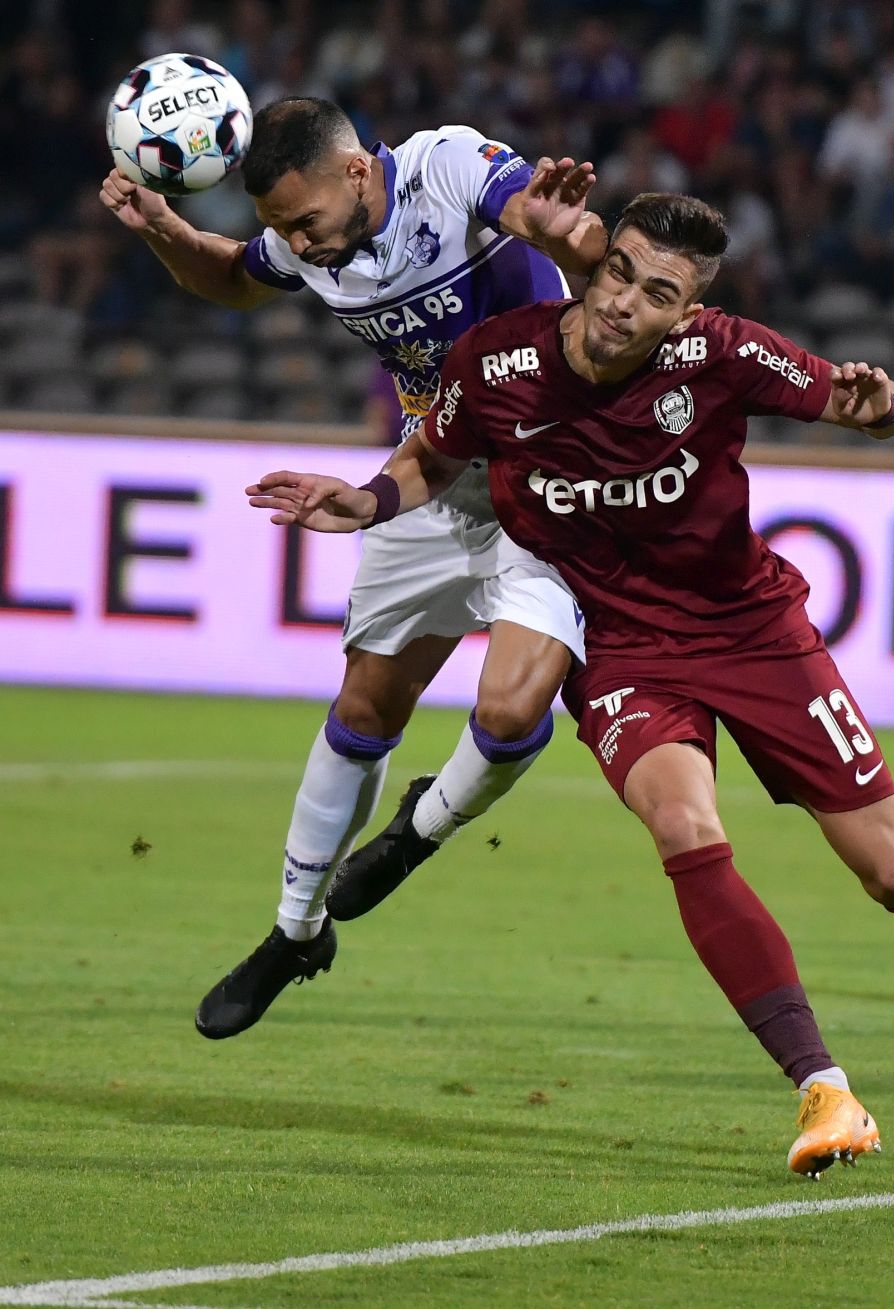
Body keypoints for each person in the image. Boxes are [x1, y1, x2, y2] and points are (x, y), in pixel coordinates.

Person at [249, 192, 894, 1184]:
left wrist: (882, 408)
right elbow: (433, 456)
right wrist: (360, 501)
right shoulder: (498, 360)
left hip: (753, 632)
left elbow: (868, 401)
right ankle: (824, 1088)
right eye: (619, 271)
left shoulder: (724, 355)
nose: (624, 303)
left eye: (658, 294)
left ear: (686, 312)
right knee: (685, 828)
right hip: (623, 647)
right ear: (598, 263)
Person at [98, 96, 608, 1037]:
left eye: (306, 223)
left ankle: (421, 829)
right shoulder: (304, 234)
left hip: (556, 481)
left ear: (358, 173)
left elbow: (542, 219)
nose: (298, 244)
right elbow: (232, 279)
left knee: (507, 711)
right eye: (281, 229)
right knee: (364, 709)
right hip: (432, 476)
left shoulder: (444, 166)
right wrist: (167, 228)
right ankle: (295, 931)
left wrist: (559, 225)